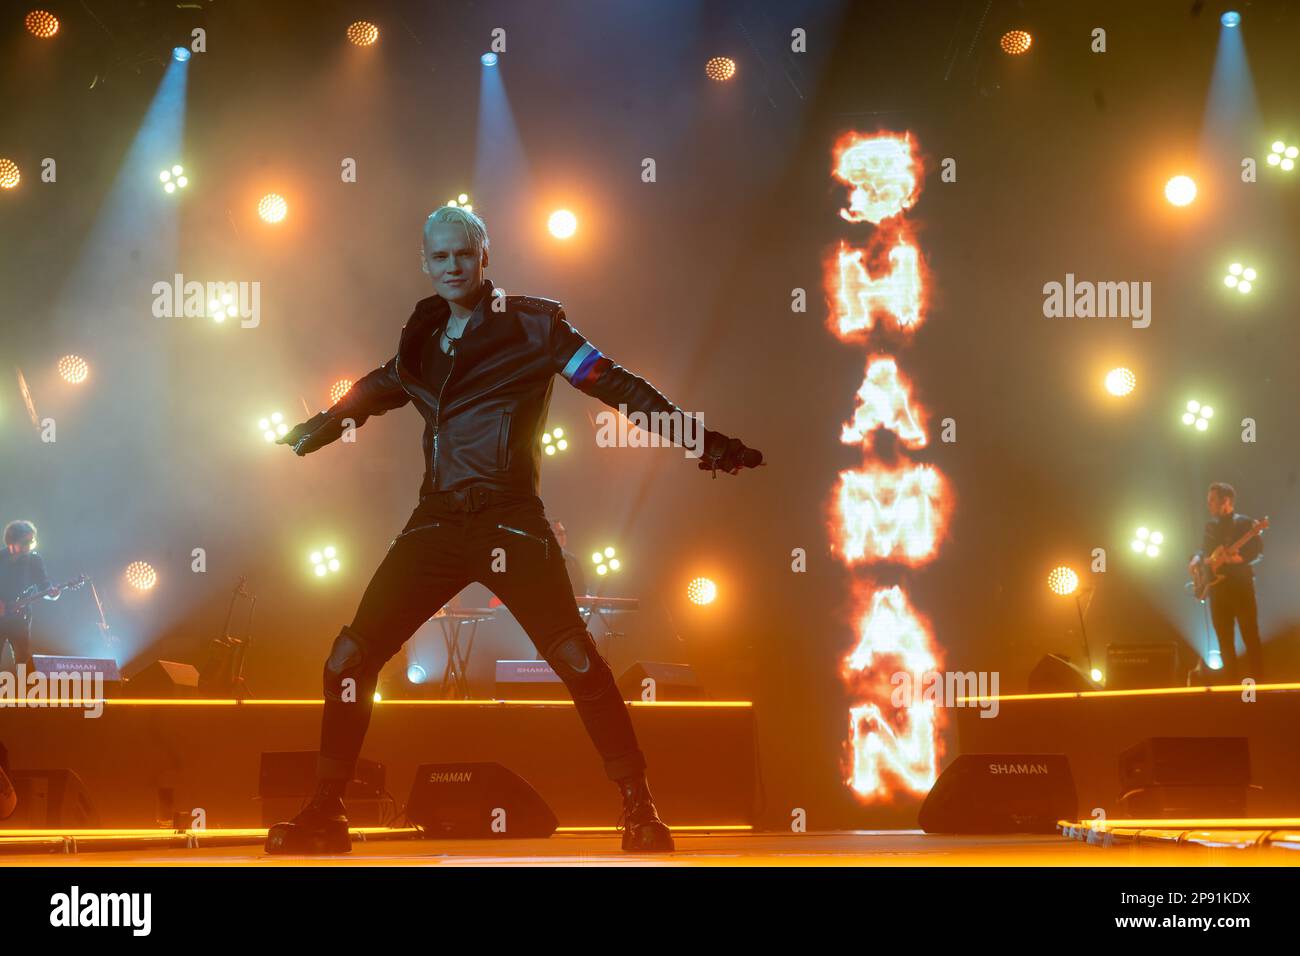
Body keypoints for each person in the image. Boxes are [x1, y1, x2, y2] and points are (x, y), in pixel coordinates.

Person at [265, 205, 761, 854]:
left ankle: (639, 806)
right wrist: (321, 427)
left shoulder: (534, 326)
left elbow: (615, 384)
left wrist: (700, 440)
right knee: (349, 660)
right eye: (439, 257)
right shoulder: (422, 339)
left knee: (577, 660)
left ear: (484, 257)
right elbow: (378, 388)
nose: (451, 267)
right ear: (425, 262)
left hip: (510, 524)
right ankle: (327, 812)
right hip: (438, 523)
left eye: (462, 255)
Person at [1188, 482, 1263, 681]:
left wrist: (1236, 559)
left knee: (1250, 635)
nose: (1209, 504)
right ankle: (1232, 685)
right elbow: (1205, 549)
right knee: (1224, 640)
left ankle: (1260, 683)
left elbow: (1256, 551)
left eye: (1212, 500)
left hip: (1241, 587)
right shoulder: (1211, 526)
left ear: (1226, 501)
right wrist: (1196, 558)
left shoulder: (1245, 523)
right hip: (1218, 589)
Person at [0, 520, 60, 675]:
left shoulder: (34, 560)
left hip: (21, 618)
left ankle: (22, 689)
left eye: (31, 541)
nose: (30, 545)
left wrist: (53, 593)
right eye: (25, 542)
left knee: (23, 661)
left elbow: (44, 585)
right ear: (12, 541)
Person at [550, 519, 587, 597]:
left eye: (564, 532)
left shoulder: (572, 560)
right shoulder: (540, 559)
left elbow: (581, 587)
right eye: (560, 533)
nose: (563, 536)